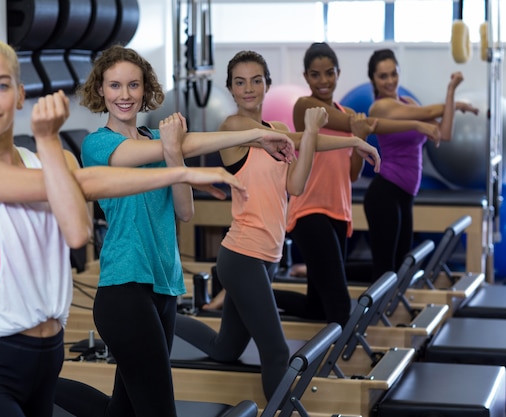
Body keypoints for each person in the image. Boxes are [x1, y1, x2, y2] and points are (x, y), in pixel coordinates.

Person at [0, 37, 253, 417]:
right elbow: (87, 185)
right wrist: (184, 164)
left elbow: (79, 230)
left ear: (20, 95)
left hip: (52, 352)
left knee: (120, 410)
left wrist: (258, 135)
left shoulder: (57, 160)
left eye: (1, 85)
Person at [76, 44, 300, 417]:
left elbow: (184, 209)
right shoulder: (98, 145)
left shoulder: (157, 143)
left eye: (133, 85)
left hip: (164, 288)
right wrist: (179, 147)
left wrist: (255, 137)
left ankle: (45, 393)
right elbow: (143, 154)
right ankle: (45, 391)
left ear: (145, 89)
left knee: (124, 410)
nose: (125, 95)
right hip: (123, 289)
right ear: (101, 90)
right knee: (160, 409)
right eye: (115, 86)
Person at [173, 50, 381, 401]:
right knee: (277, 352)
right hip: (242, 257)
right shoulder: (233, 128)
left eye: (256, 80)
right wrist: (341, 136)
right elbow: (296, 140)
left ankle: (160, 320)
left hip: (267, 256)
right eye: (240, 82)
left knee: (224, 347)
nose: (249, 88)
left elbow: (296, 186)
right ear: (231, 89)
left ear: (267, 84)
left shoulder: (280, 131)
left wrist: (336, 139)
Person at [280, 42, 442, 326]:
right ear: (306, 78)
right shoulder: (306, 108)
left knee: (316, 308)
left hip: (339, 214)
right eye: (315, 75)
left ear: (338, 73)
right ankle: (341, 364)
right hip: (310, 212)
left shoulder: (347, 113)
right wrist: (414, 123)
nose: (323, 81)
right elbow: (356, 124)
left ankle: (242, 297)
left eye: (329, 73)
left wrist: (360, 138)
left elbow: (352, 173)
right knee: (341, 307)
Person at [364, 48, 479, 281]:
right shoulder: (380, 107)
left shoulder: (407, 102)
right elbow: (426, 112)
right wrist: (454, 102)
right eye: (383, 76)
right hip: (385, 192)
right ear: (373, 79)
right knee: (386, 271)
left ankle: (389, 311)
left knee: (400, 268)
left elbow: (444, 133)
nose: (390, 81)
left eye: (393, 74)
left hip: (405, 195)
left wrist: (450, 94)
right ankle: (379, 316)